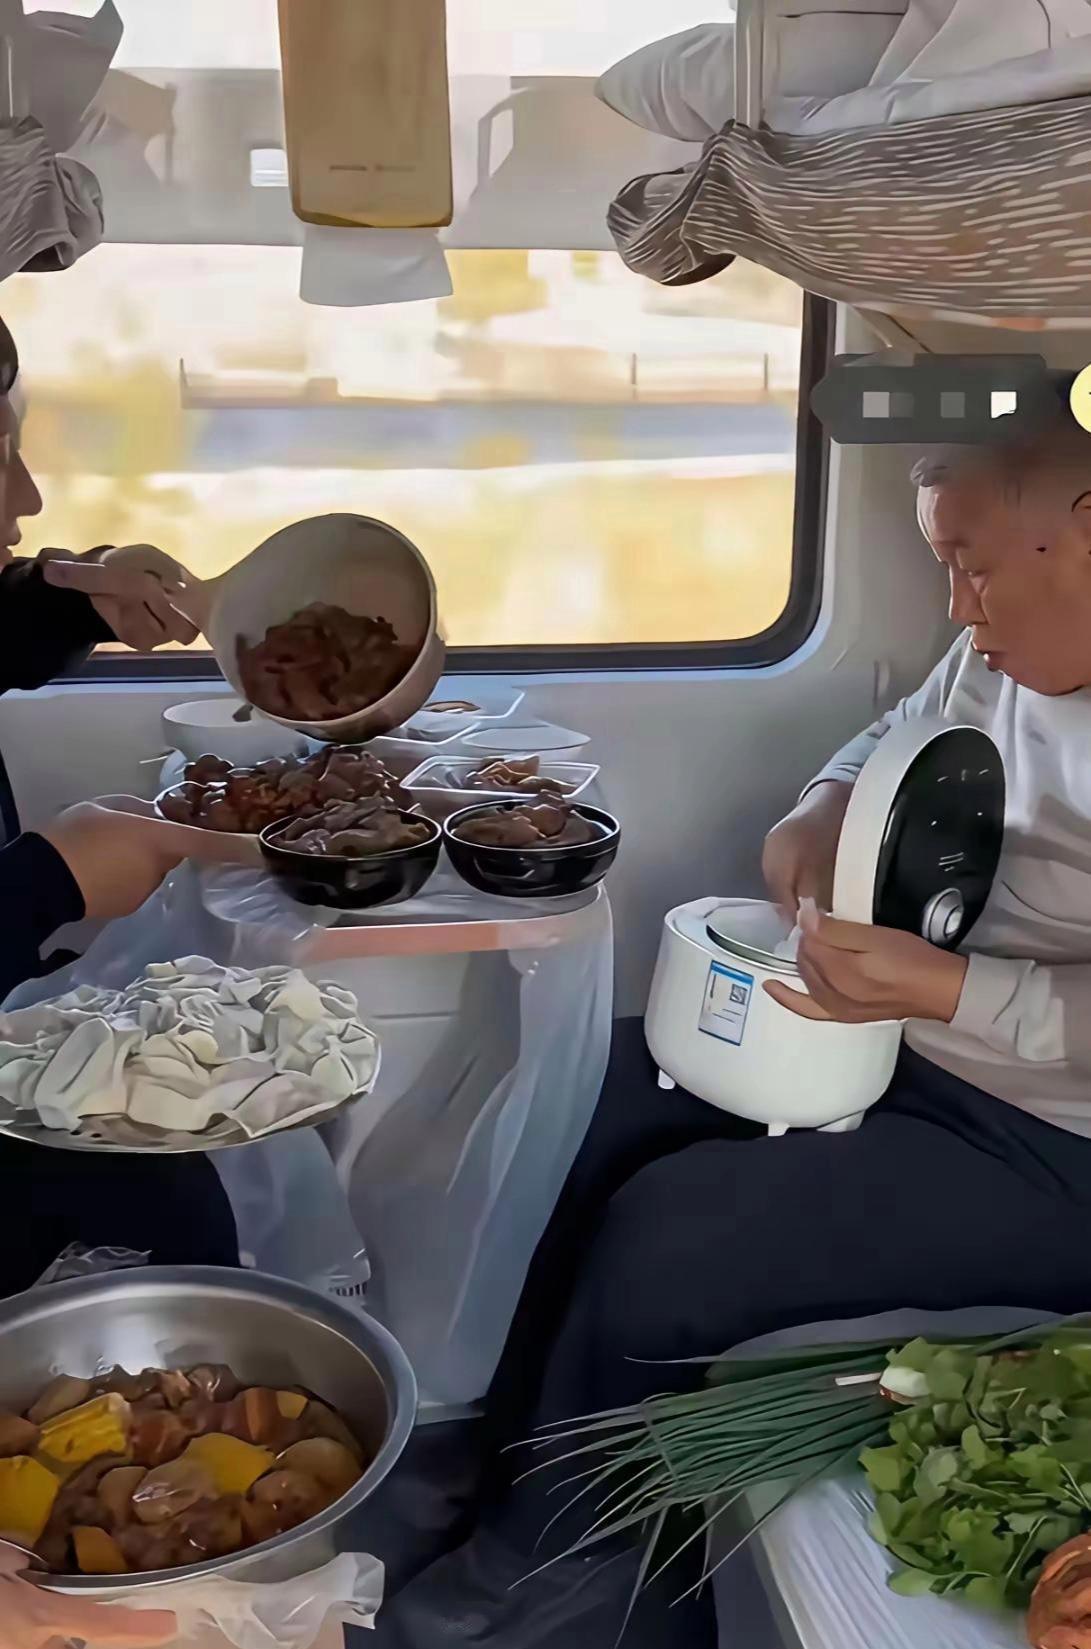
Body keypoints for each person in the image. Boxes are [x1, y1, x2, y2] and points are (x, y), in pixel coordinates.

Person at [374, 420, 1091, 1647]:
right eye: (942, 566)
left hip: (1050, 1143)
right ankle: (492, 1459)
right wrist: (817, 808)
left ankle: (546, 1572)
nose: (955, 604)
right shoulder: (999, 652)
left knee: (675, 1237)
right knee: (580, 1102)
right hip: (909, 1037)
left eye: (971, 565)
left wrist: (944, 990)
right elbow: (895, 734)